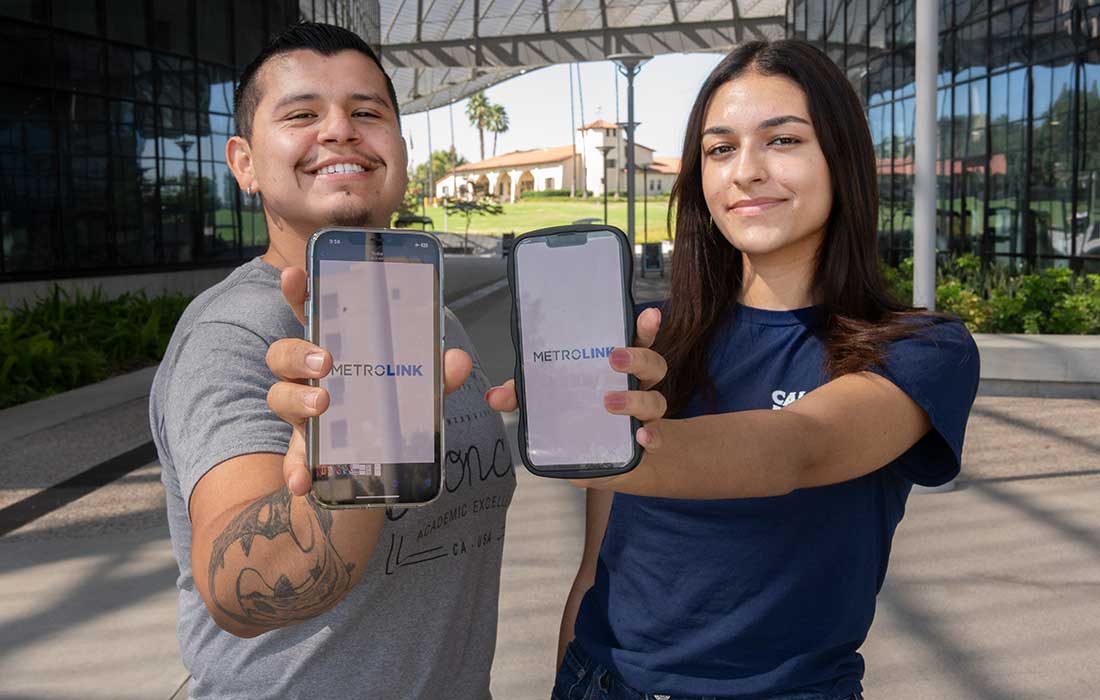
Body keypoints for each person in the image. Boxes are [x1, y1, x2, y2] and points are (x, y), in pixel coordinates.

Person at [484, 39, 980, 699]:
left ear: (843, 159)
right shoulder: (656, 341)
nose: (744, 171)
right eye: (720, 149)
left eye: (782, 141)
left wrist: (602, 444)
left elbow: (802, 446)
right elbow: (597, 570)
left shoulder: (920, 350)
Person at [150, 23, 515, 699]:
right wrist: (342, 450)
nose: (341, 130)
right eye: (301, 114)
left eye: (368, 112)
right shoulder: (235, 334)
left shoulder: (433, 319)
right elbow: (239, 592)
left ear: (399, 149)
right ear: (244, 162)